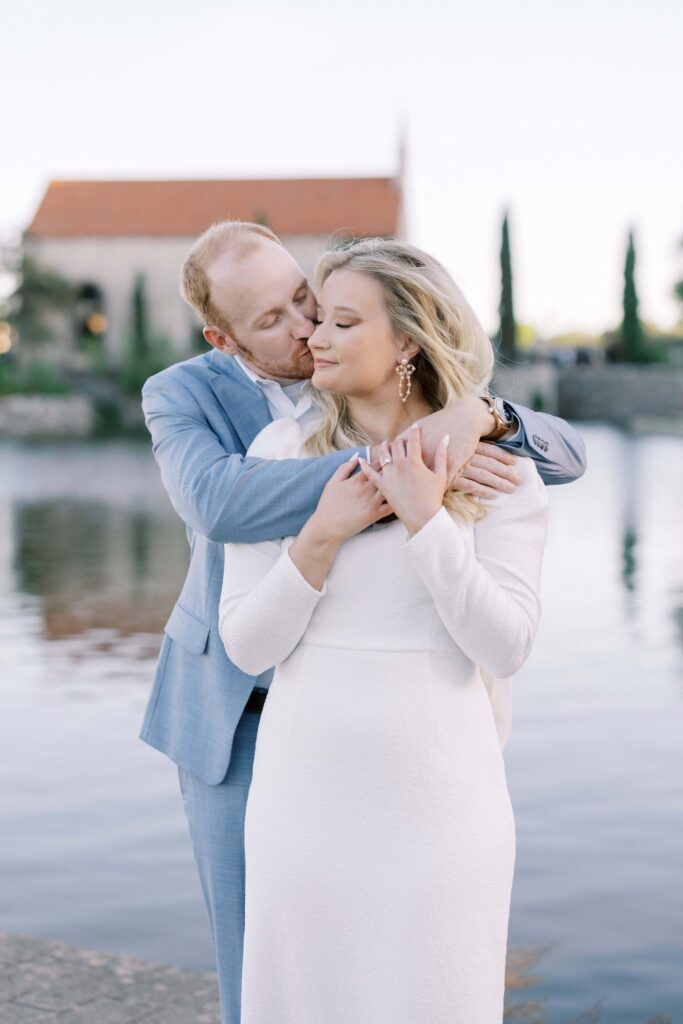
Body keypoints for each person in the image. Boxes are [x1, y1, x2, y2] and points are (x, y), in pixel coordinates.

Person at [139, 220, 586, 1024]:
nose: (307, 327)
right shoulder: (192, 398)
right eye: (273, 321)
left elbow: (560, 458)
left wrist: (474, 420)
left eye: (307, 300)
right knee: (269, 969)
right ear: (224, 337)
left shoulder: (465, 439)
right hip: (237, 717)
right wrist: (390, 473)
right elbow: (218, 503)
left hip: (422, 752)